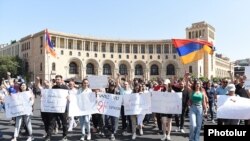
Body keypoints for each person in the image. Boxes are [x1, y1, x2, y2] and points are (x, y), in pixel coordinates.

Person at [44, 75, 68, 141]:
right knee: (52, 122)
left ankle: (64, 136)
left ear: (61, 80)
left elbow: (68, 95)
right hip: (54, 108)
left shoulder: (65, 87)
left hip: (62, 108)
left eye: (58, 79)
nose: (57, 80)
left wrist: (68, 97)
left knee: (64, 123)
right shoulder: (53, 87)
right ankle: (48, 136)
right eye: (56, 79)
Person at [185, 73, 207, 141]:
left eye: (199, 83)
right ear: (194, 85)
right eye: (196, 83)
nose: (197, 84)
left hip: (200, 109)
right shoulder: (192, 91)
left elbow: (204, 102)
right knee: (193, 125)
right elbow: (186, 86)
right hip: (192, 108)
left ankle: (196, 139)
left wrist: (205, 110)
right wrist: (187, 78)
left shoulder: (202, 93)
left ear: (200, 85)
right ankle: (191, 138)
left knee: (199, 126)